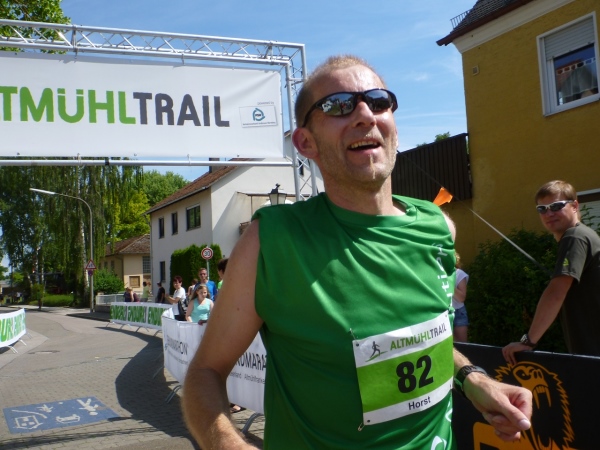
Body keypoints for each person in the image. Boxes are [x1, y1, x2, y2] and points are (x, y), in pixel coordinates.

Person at [182, 55, 532, 448]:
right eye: (339, 105)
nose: (365, 114)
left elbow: (421, 341)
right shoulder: (271, 241)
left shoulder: (438, 227)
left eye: (379, 101)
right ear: (306, 142)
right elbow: (205, 372)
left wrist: (473, 379)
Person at [503, 180, 600, 364]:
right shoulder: (583, 235)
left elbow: (556, 292)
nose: (549, 213)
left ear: (574, 206)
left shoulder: (575, 237)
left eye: (556, 206)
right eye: (542, 209)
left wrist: (527, 342)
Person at [452, 253, 469, 343]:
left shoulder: (459, 274)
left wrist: (448, 282)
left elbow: (461, 298)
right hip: (443, 312)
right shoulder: (436, 275)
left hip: (458, 312)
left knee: (462, 345)